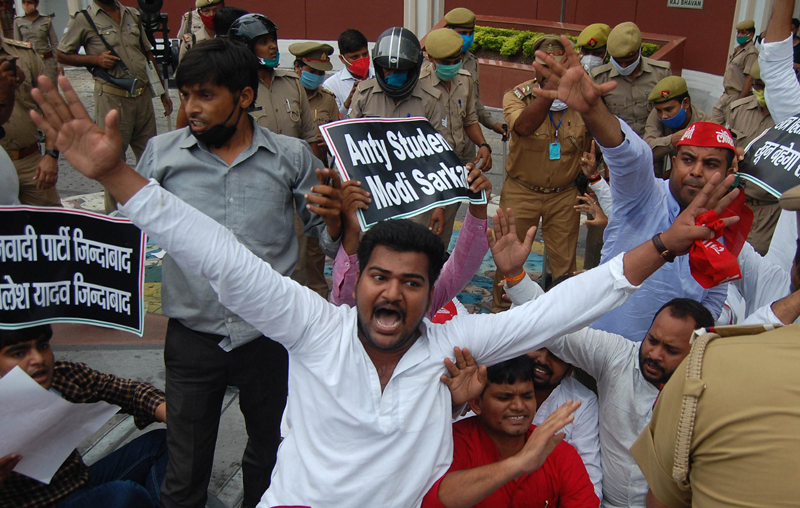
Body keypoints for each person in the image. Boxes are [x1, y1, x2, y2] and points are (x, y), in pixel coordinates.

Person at [28, 65, 742, 508]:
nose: (392, 293)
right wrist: (119, 178)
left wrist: (662, 244)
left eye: (410, 282)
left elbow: (572, 301)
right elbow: (222, 257)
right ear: (358, 282)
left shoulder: (457, 342)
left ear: (431, 294)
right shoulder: (314, 327)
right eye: (378, 277)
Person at [140, 39, 338, 508]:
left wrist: (335, 219)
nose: (191, 108)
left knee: (271, 454)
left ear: (244, 97)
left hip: (269, 338)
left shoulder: (291, 157)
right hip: (192, 339)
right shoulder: (161, 155)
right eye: (186, 95)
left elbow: (326, 236)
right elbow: (127, 232)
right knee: (184, 469)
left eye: (205, 95)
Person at [539, 41, 734, 340]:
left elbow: (711, 304)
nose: (696, 171)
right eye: (687, 159)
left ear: (728, 173)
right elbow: (631, 157)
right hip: (598, 351)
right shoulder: (645, 196)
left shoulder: (725, 226)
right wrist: (593, 112)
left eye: (710, 163)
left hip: (661, 370)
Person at [631, 322, 800, 508]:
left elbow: (661, 502)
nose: (655, 355)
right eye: (652, 340)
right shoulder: (705, 363)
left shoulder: (703, 365)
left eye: (671, 350)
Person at [0, 325, 168, 508]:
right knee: (123, 495)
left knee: (165, 442)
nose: (38, 359)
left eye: (42, 346)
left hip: (80, 487)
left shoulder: (61, 377)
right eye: (18, 354)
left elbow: (129, 391)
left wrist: (175, 416)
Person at [492, 35, 589, 312]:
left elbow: (595, 140)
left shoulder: (584, 98)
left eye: (559, 66)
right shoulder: (516, 96)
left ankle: (561, 320)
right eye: (547, 68)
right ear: (535, 68)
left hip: (565, 194)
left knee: (565, 266)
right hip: (522, 191)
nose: (554, 73)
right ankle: (501, 315)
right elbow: (523, 126)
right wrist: (552, 92)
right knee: (508, 258)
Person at [421, 357, 599, 508]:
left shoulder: (559, 453)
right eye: (504, 397)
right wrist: (518, 464)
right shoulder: (451, 444)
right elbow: (430, 501)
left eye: (527, 396)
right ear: (476, 404)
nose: (519, 406)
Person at [57, 0, 173, 213]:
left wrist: (162, 92)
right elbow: (62, 54)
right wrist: (95, 59)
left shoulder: (132, 14)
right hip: (112, 99)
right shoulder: (84, 19)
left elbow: (146, 53)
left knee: (151, 158)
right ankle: (116, 218)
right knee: (112, 163)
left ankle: (153, 214)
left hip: (142, 97)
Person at [348, 26, 449, 237]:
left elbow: (441, 157)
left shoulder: (431, 100)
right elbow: (348, 145)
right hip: (371, 195)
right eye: (387, 69)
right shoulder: (364, 94)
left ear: (413, 68)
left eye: (400, 71)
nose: (392, 75)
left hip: (416, 197)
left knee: (409, 251)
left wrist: (440, 204)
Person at [419, 27, 493, 247]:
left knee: (444, 229)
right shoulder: (419, 85)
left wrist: (484, 144)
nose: (452, 66)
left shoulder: (465, 80)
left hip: (456, 165)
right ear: (431, 58)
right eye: (445, 62)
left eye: (456, 60)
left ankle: (439, 269)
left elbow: (469, 120)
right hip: (428, 168)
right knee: (424, 229)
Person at [529, 347, 602, 500]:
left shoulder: (582, 402)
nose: (542, 359)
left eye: (556, 354)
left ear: (570, 368)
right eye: (538, 347)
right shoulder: (495, 385)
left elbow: (590, 484)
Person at [0, 32, 59, 206]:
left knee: (50, 226)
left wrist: (51, 155)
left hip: (31, 162)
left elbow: (51, 109)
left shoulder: (25, 55)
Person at [728, 61, 779, 256]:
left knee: (755, 262)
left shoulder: (790, 116)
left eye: (767, 86)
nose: (762, 91)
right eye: (758, 86)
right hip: (734, 201)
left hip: (766, 209)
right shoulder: (738, 110)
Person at [591, 22, 672, 138]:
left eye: (629, 61)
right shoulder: (600, 78)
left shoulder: (661, 73)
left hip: (652, 147)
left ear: (641, 50)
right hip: (618, 147)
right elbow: (596, 119)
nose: (624, 66)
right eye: (619, 62)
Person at [442, 8, 506, 150]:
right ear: (448, 30)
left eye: (471, 33)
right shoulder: (436, 62)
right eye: (463, 33)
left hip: (467, 140)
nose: (468, 37)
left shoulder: (472, 62)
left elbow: (473, 101)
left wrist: (493, 124)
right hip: (441, 141)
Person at [644, 76, 709, 178]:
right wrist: (671, 141)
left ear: (685, 103)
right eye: (659, 110)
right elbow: (645, 151)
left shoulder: (704, 124)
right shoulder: (657, 114)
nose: (663, 116)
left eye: (669, 109)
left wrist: (672, 172)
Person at [710, 19, 758, 125]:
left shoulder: (751, 53)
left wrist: (739, 102)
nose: (740, 35)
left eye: (743, 33)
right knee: (712, 124)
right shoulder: (737, 50)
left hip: (737, 95)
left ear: (751, 35)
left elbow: (749, 79)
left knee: (732, 128)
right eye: (738, 32)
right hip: (726, 94)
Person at [323, 29, 374, 117]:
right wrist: (349, 102)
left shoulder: (380, 76)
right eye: (355, 57)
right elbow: (333, 121)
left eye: (365, 54)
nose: (361, 60)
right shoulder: (332, 85)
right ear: (342, 59)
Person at [13, 0, 61, 85]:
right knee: (33, 92)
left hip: (47, 61)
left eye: (29, 2)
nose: (26, 5)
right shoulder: (18, 21)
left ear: (36, 4)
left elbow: (54, 43)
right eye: (24, 2)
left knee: (51, 90)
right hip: (29, 62)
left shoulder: (46, 20)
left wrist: (59, 63)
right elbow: (17, 45)